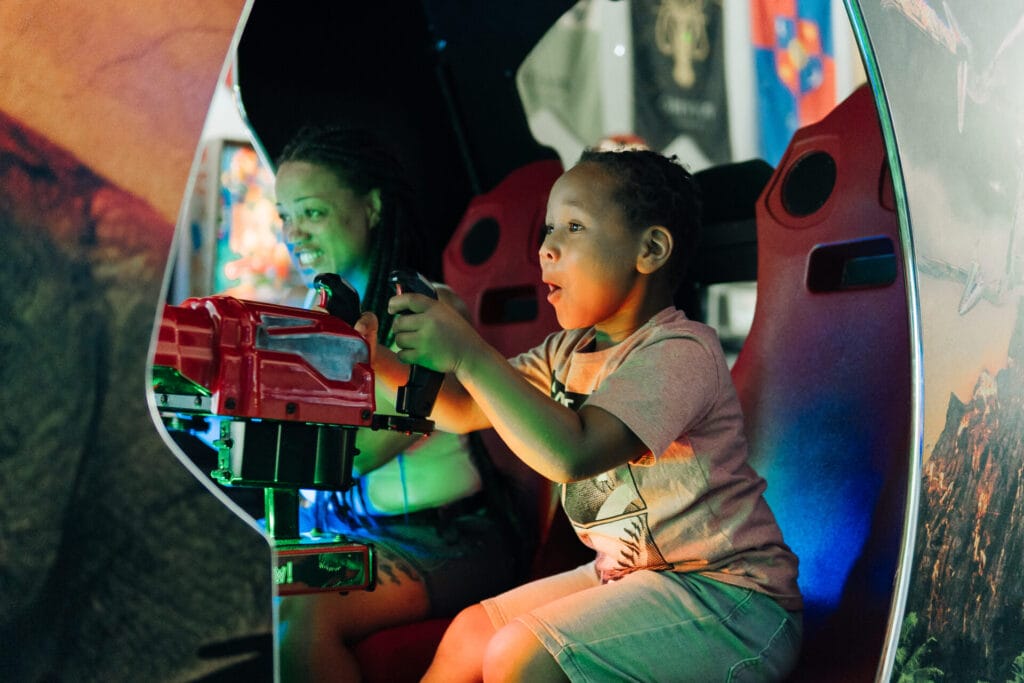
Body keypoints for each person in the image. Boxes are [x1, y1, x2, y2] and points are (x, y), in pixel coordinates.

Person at [362, 148, 804, 681]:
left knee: (520, 653)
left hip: (729, 600)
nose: (547, 248)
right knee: (470, 636)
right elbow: (459, 409)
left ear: (651, 249)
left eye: (574, 226)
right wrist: (373, 358)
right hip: (626, 575)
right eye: (548, 230)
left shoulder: (679, 351)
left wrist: (467, 351)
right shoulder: (565, 352)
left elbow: (573, 453)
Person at [272, 123, 519, 681]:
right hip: (358, 529)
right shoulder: (313, 318)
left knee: (301, 611)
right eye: (285, 215)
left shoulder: (425, 313)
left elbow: (354, 455)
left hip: (446, 536)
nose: (294, 232)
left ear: (373, 208)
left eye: (311, 212)